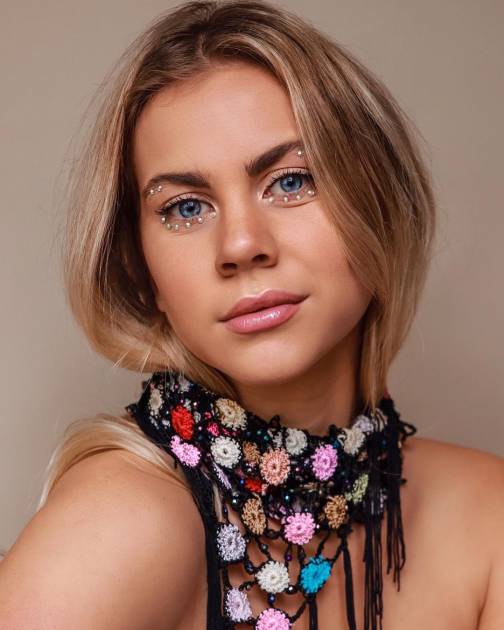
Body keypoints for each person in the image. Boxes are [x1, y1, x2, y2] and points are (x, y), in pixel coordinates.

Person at [0, 1, 502, 628]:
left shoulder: (487, 516)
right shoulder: (124, 519)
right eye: (186, 208)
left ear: (377, 205)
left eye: (290, 181)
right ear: (143, 272)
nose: (240, 245)